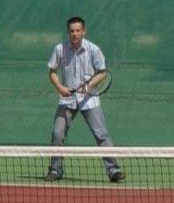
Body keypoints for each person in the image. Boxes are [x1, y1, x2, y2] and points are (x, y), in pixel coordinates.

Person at [47, 16, 123, 182]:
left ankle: (114, 170)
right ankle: (55, 170)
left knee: (101, 134)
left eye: (78, 30)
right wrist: (60, 88)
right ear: (68, 32)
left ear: (83, 31)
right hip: (67, 100)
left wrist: (89, 87)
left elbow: (102, 72)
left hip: (89, 100)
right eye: (72, 31)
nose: (75, 34)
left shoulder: (93, 49)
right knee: (57, 133)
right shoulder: (60, 49)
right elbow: (52, 71)